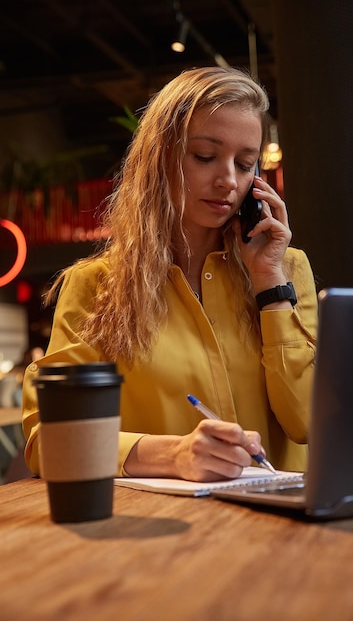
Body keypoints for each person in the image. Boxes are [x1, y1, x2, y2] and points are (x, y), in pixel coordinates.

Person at [22, 66, 318, 482]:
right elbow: (49, 439)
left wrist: (269, 284)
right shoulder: (96, 286)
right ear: (159, 158)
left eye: (246, 163)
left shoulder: (286, 270)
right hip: (168, 535)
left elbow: (307, 423)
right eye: (204, 156)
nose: (228, 180)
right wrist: (173, 454)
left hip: (286, 530)